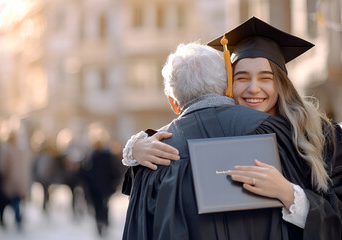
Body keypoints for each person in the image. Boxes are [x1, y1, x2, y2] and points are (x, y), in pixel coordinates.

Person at [122, 40, 341, 239]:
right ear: (226, 86)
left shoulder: (317, 137)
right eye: (241, 78)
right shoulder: (165, 146)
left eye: (266, 78)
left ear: (282, 83)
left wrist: (289, 194)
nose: (253, 88)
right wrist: (134, 149)